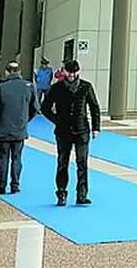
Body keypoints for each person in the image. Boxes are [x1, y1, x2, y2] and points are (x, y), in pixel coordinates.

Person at [41, 60, 101, 206]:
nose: (72, 75)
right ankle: (61, 194)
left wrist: (96, 128)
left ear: (78, 72)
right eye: (69, 72)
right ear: (64, 72)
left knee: (82, 163)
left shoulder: (86, 86)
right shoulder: (56, 88)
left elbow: (94, 107)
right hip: (63, 131)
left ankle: (82, 195)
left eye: (74, 72)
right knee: (62, 162)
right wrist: (57, 120)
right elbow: (45, 108)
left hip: (82, 130)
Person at [0, 61, 39, 194]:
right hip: (20, 129)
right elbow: (35, 108)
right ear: (19, 72)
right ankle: (15, 185)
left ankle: (1, 185)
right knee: (17, 158)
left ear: (6, 72)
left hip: (2, 129)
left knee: (3, 158)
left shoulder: (1, 87)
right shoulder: (29, 86)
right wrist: (25, 120)